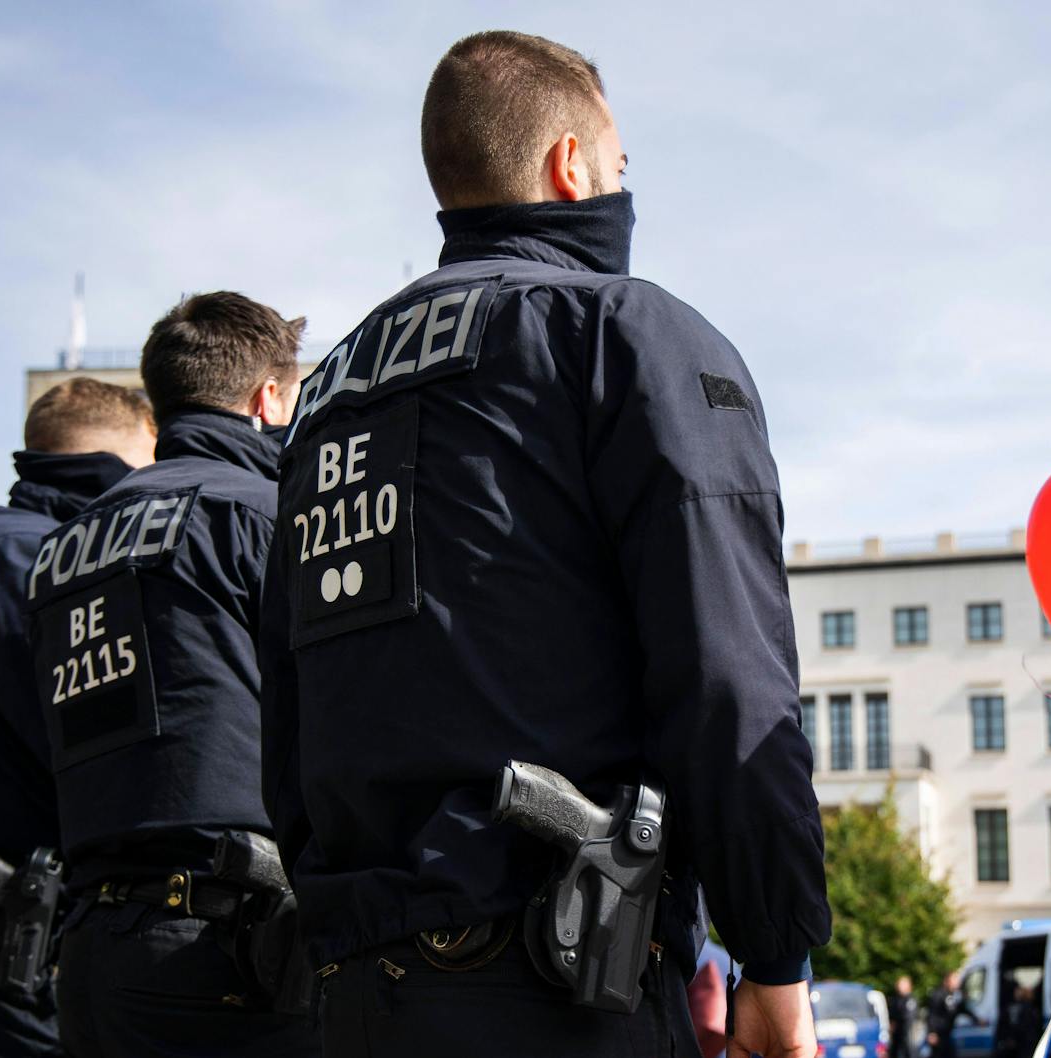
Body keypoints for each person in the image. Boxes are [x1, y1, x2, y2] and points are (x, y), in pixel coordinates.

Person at [258, 29, 830, 1058]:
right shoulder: (623, 333)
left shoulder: (326, 397)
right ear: (571, 166)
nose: (621, 189)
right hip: (558, 981)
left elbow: (285, 704)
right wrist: (775, 957)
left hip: (351, 992)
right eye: (618, 167)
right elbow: (728, 683)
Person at [29, 292, 317, 1058]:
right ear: (266, 397)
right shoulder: (262, 512)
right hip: (228, 953)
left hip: (92, 946)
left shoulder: (62, 546)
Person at [0, 378, 155, 1057]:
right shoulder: (16, 552)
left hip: (28, 925)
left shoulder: (2, 545)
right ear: (132, 447)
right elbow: (70, 723)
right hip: (17, 929)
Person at [927, 971, 981, 1058]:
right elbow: (932, 1014)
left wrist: (977, 1019)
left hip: (948, 1033)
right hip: (938, 1034)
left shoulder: (955, 995)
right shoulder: (938, 995)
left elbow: (962, 1009)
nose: (957, 982)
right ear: (947, 981)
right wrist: (932, 1032)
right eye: (954, 979)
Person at [888, 975, 921, 1058]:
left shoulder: (911, 1000)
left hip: (908, 1035)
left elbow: (909, 1019)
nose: (899, 986)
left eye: (902, 984)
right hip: (897, 1036)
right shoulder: (895, 1000)